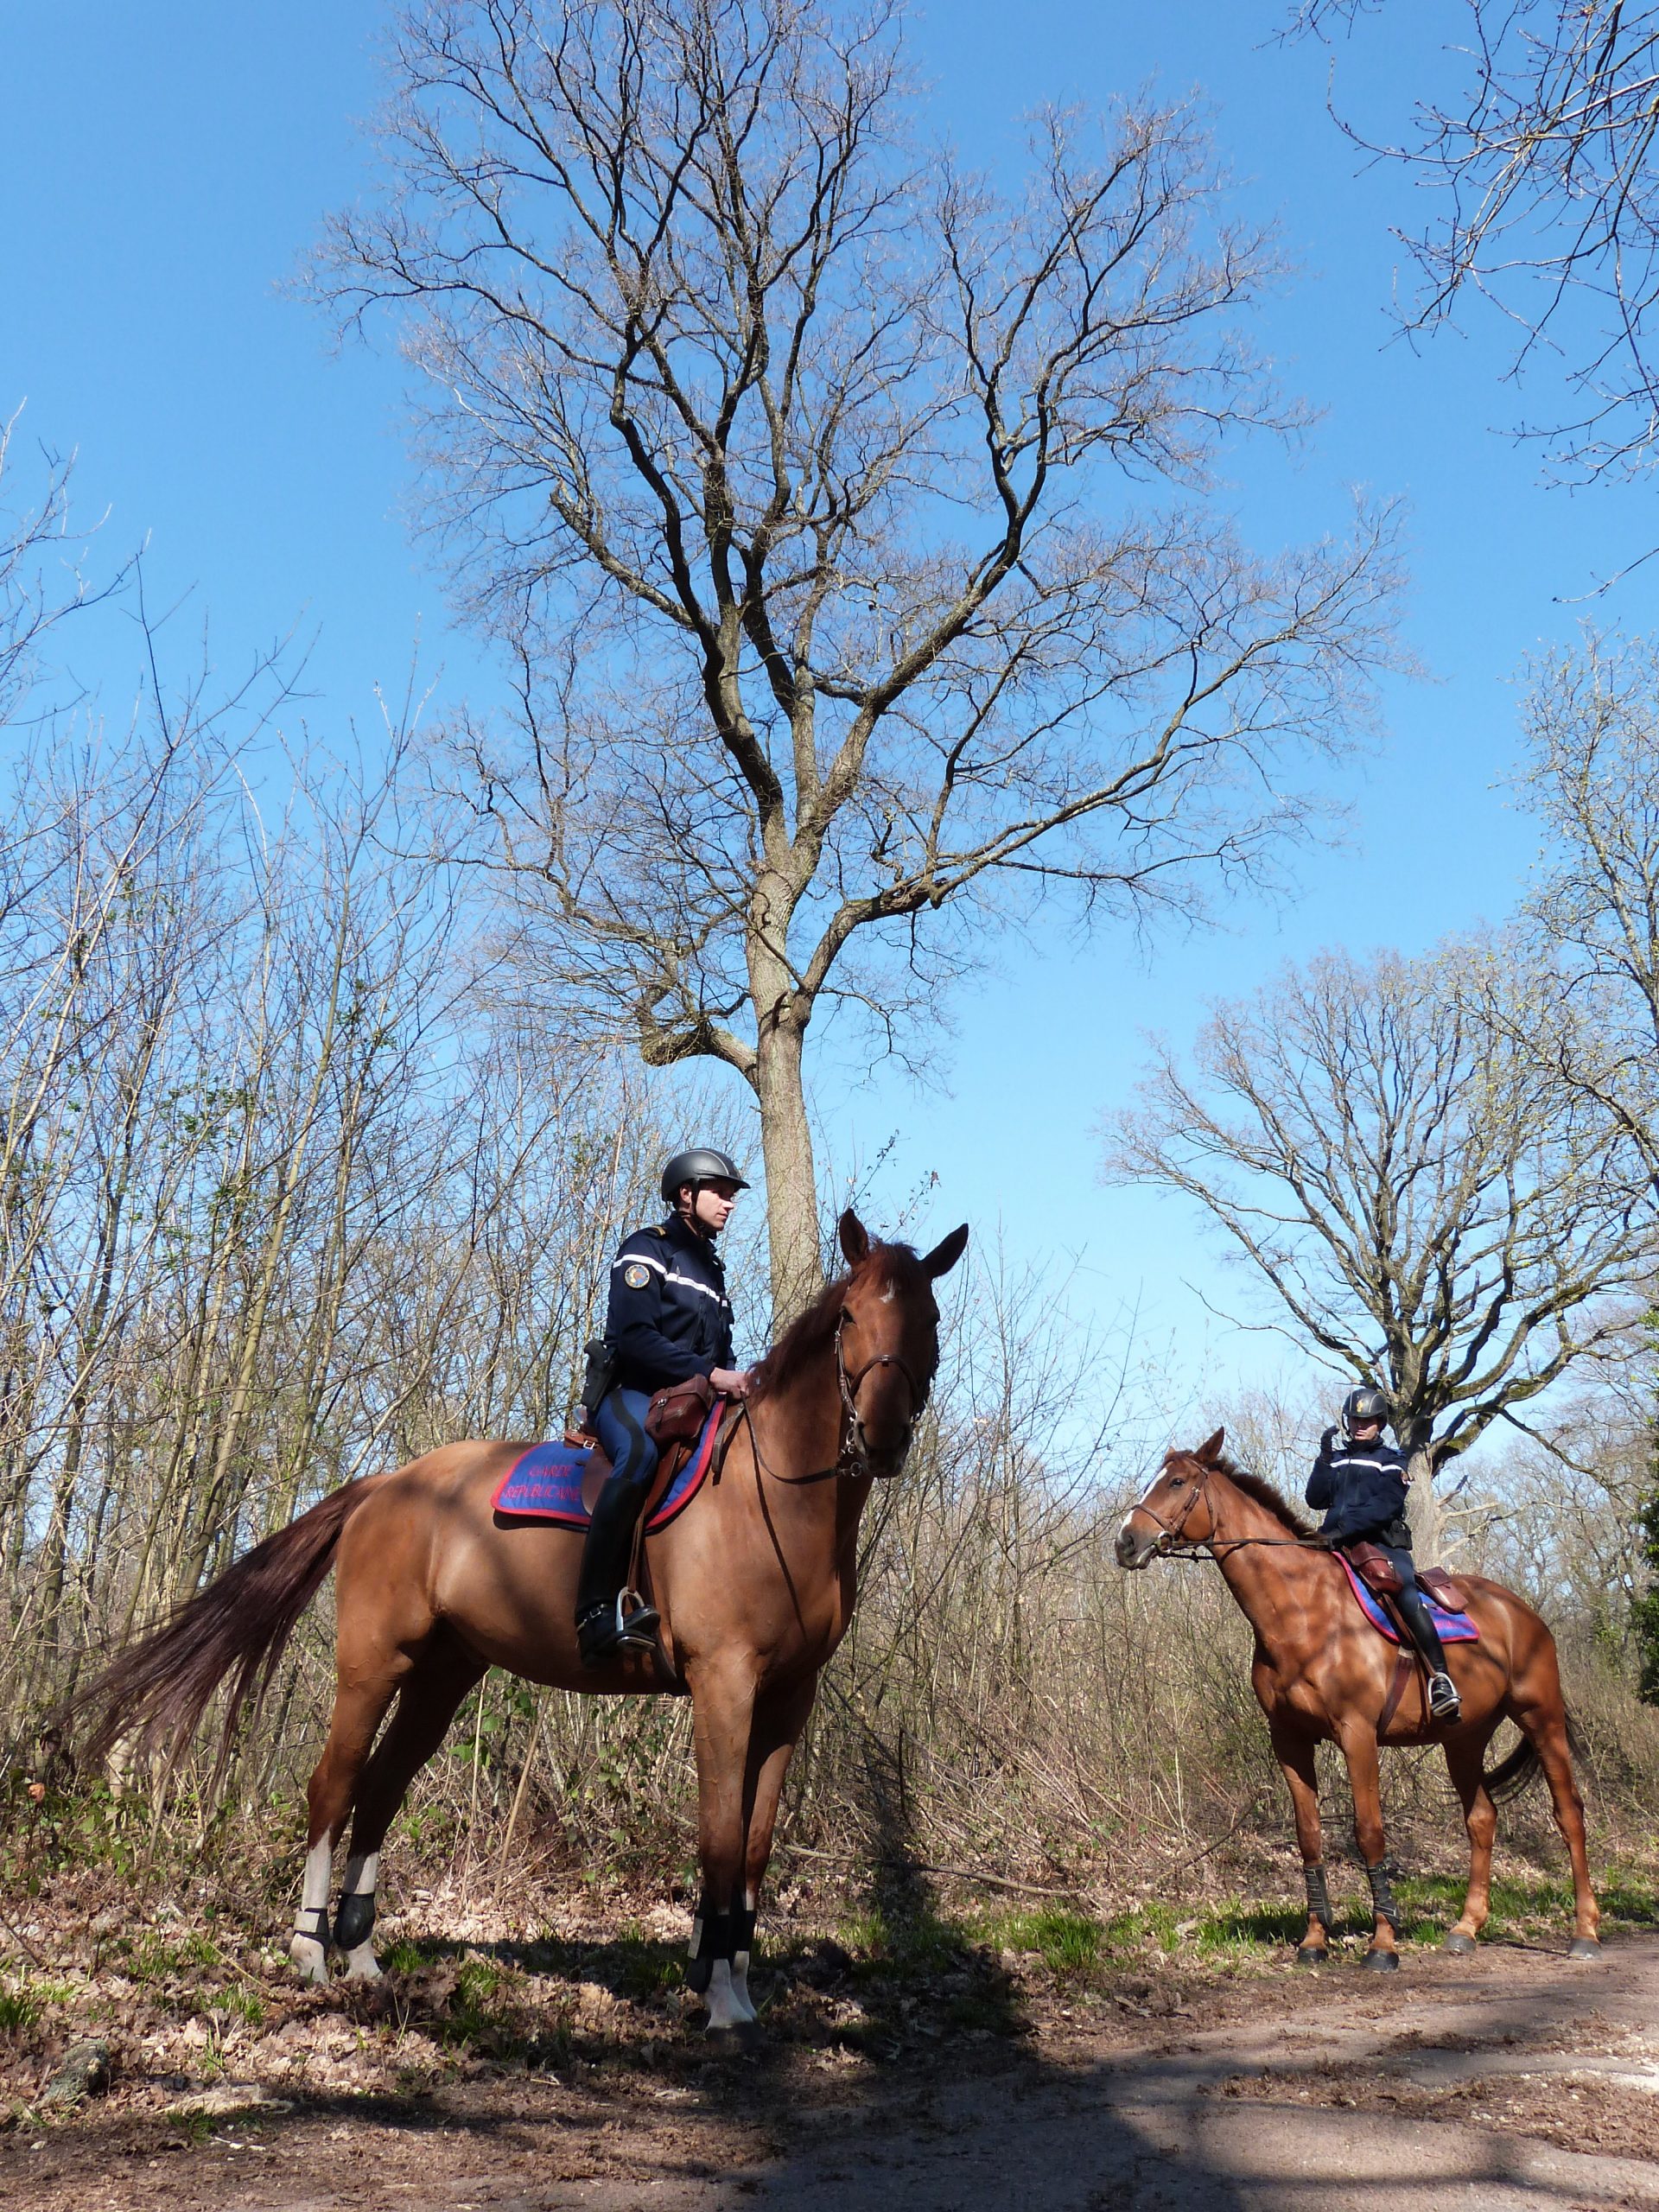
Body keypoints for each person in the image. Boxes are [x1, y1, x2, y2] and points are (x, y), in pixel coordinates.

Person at [574, 1147, 755, 1666]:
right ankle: (592, 1613)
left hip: (690, 1402)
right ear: (685, 1194)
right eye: (720, 1192)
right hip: (630, 1393)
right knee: (638, 1457)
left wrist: (737, 1383)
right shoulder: (646, 1250)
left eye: (732, 1195)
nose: (729, 1204)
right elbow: (634, 1339)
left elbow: (720, 1356)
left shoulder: (713, 1274)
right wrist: (711, 1375)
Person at [1306, 1387, 1461, 1724]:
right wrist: (1322, 1459)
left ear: (1380, 1422)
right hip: (1335, 1545)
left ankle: (1442, 1679)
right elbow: (1315, 1500)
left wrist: (1340, 1530)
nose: (1360, 1425)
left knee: (1405, 1590)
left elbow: (1384, 1507)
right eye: (1354, 1419)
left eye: (1367, 1420)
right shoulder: (1336, 1459)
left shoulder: (1392, 1461)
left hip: (1382, 1545)